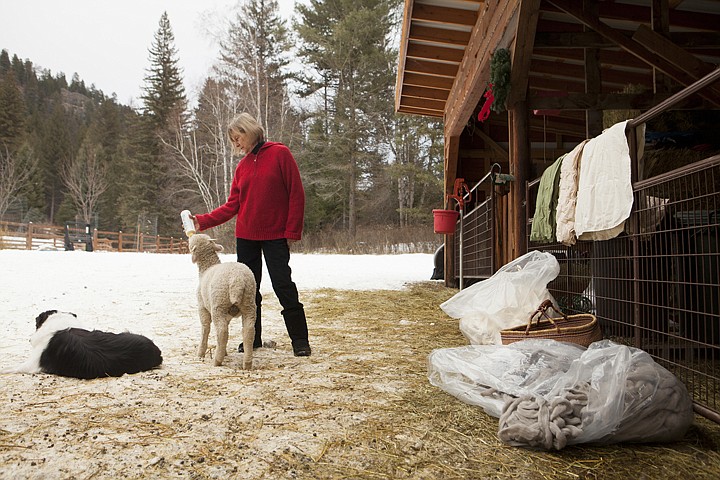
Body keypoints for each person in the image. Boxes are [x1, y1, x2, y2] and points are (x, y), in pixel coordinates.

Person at [190, 113, 311, 357]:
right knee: (247, 290)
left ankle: (300, 341)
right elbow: (232, 205)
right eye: (233, 141)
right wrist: (202, 221)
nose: (236, 144)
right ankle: (251, 339)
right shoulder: (242, 167)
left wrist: (291, 231)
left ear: (250, 130)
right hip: (246, 237)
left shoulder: (280, 154)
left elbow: (296, 194)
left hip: (275, 235)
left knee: (283, 284)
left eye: (238, 138)